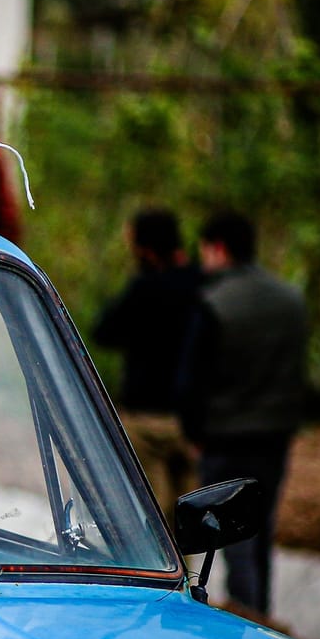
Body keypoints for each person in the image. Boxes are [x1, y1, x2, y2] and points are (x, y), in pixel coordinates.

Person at [180, 210, 311, 617]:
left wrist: (194, 430)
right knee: (262, 526)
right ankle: (264, 612)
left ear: (218, 248)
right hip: (275, 434)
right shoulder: (290, 299)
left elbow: (190, 378)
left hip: (224, 436)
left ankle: (247, 615)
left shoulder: (213, 302)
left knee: (232, 531)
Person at [93, 207, 203, 514]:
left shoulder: (143, 289)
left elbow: (103, 331)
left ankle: (165, 564)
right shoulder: (202, 284)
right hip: (192, 420)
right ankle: (189, 564)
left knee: (153, 515)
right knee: (191, 516)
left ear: (146, 248)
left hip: (146, 417)